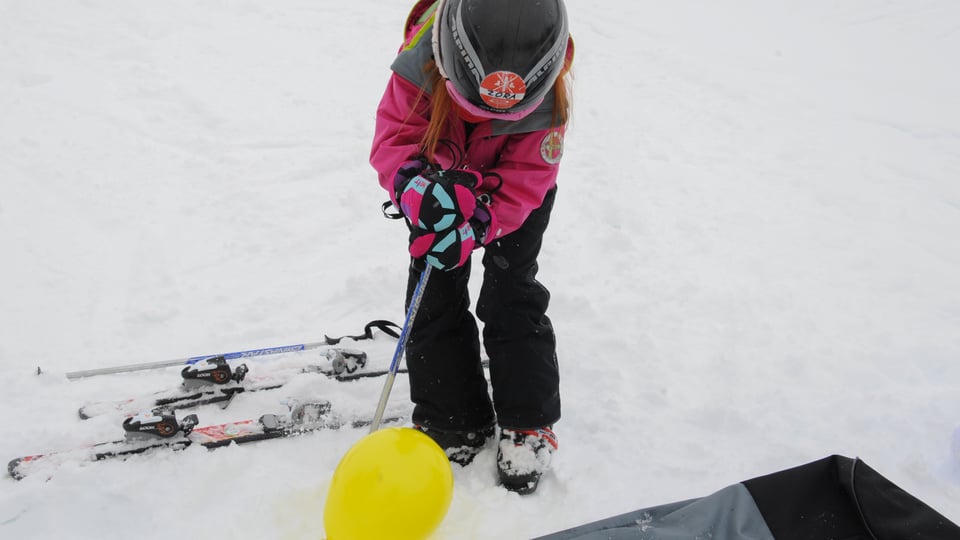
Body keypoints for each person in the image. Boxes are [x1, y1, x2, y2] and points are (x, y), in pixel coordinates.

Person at [369, 0, 573, 495]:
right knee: (433, 291)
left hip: (514, 200)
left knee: (510, 290)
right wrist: (415, 187)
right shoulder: (421, 60)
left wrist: (482, 219)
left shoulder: (547, 97)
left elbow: (528, 179)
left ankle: (527, 418)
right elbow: (395, 136)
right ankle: (452, 414)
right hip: (438, 190)